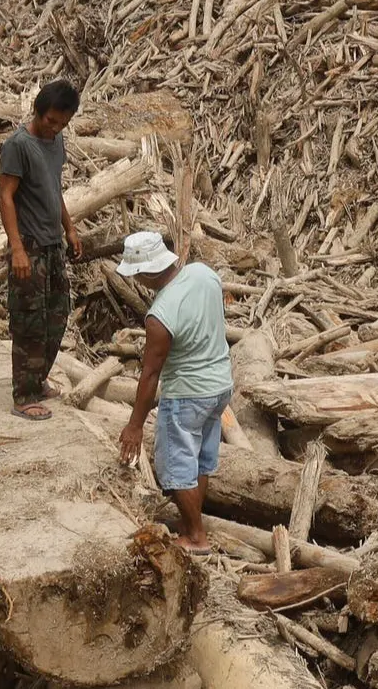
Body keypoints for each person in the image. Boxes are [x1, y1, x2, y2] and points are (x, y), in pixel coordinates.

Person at [116, 230, 232, 556]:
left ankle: (196, 536)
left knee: (177, 464)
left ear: (145, 272)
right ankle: (190, 526)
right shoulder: (204, 274)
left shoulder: (160, 315)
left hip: (188, 393)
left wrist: (135, 425)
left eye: (136, 273)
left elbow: (150, 374)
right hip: (220, 385)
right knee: (200, 461)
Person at [0, 78, 83, 420]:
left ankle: (38, 378)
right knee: (29, 321)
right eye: (50, 121)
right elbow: (5, 196)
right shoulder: (18, 145)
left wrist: (70, 227)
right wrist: (17, 248)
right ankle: (24, 394)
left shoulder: (56, 141)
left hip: (53, 244)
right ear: (38, 111)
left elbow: (54, 188)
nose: (55, 128)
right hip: (30, 245)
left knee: (57, 316)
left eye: (62, 123)